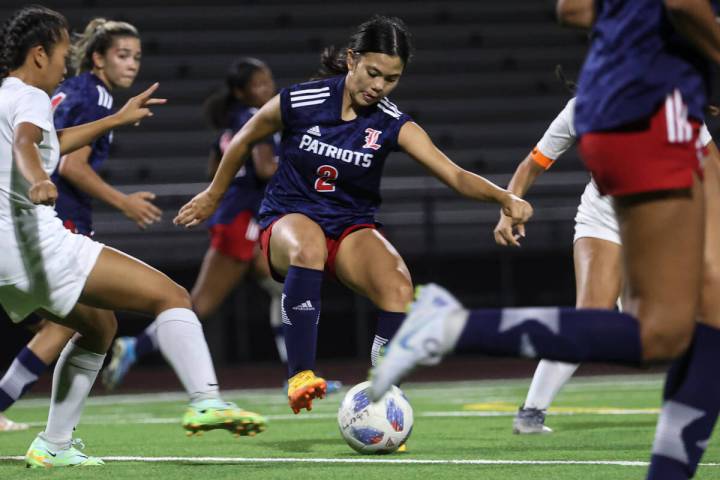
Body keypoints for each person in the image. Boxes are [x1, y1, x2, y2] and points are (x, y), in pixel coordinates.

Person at [371, 1, 720, 478]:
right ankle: (451, 327)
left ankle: (452, 328)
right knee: (685, 324)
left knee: (670, 331)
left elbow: (571, 10)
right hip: (649, 116)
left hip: (627, 114)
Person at [173, 15, 533, 415]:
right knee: (308, 247)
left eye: (392, 79)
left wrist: (505, 197)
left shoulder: (391, 122)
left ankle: (382, 398)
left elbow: (454, 174)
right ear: (351, 60)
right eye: (374, 73)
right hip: (287, 218)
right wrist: (213, 194)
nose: (379, 86)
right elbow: (243, 139)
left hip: (349, 226)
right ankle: (300, 375)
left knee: (398, 288)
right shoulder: (301, 101)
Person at [0, 6, 266, 468]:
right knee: (172, 296)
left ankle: (54, 446)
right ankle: (206, 400)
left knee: (99, 326)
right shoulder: (32, 98)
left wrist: (114, 121)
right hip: (38, 244)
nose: (68, 65)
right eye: (64, 53)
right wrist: (39, 181)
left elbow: (47, 140)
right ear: (39, 54)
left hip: (7, 261)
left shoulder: (7, 94)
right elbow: (28, 146)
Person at [101, 57, 343, 393]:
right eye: (258, 84)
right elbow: (263, 168)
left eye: (268, 80)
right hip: (241, 222)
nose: (267, 88)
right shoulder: (255, 118)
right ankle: (134, 347)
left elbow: (215, 168)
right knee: (199, 305)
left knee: (286, 288)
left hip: (242, 219)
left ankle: (301, 377)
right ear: (240, 92)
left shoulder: (232, 123)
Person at [493, 94, 716, 434]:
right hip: (604, 221)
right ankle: (531, 412)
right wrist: (509, 206)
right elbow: (532, 164)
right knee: (591, 315)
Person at [0, 17, 163, 432]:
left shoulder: (20, 92)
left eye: (136, 57)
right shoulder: (83, 94)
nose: (131, 65)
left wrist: (114, 122)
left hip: (18, 230)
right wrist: (120, 201)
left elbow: (49, 141)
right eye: (121, 55)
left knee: (88, 323)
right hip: (45, 221)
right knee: (158, 300)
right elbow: (52, 157)